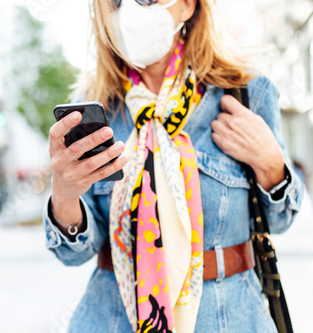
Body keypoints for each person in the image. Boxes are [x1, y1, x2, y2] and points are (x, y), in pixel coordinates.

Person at [43, 0, 304, 332]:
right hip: (111, 318)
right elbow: (73, 255)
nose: (130, 12)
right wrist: (64, 196)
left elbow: (282, 221)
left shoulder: (247, 93)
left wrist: (270, 164)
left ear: (188, 6)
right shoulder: (94, 112)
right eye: (117, 2)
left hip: (229, 317)